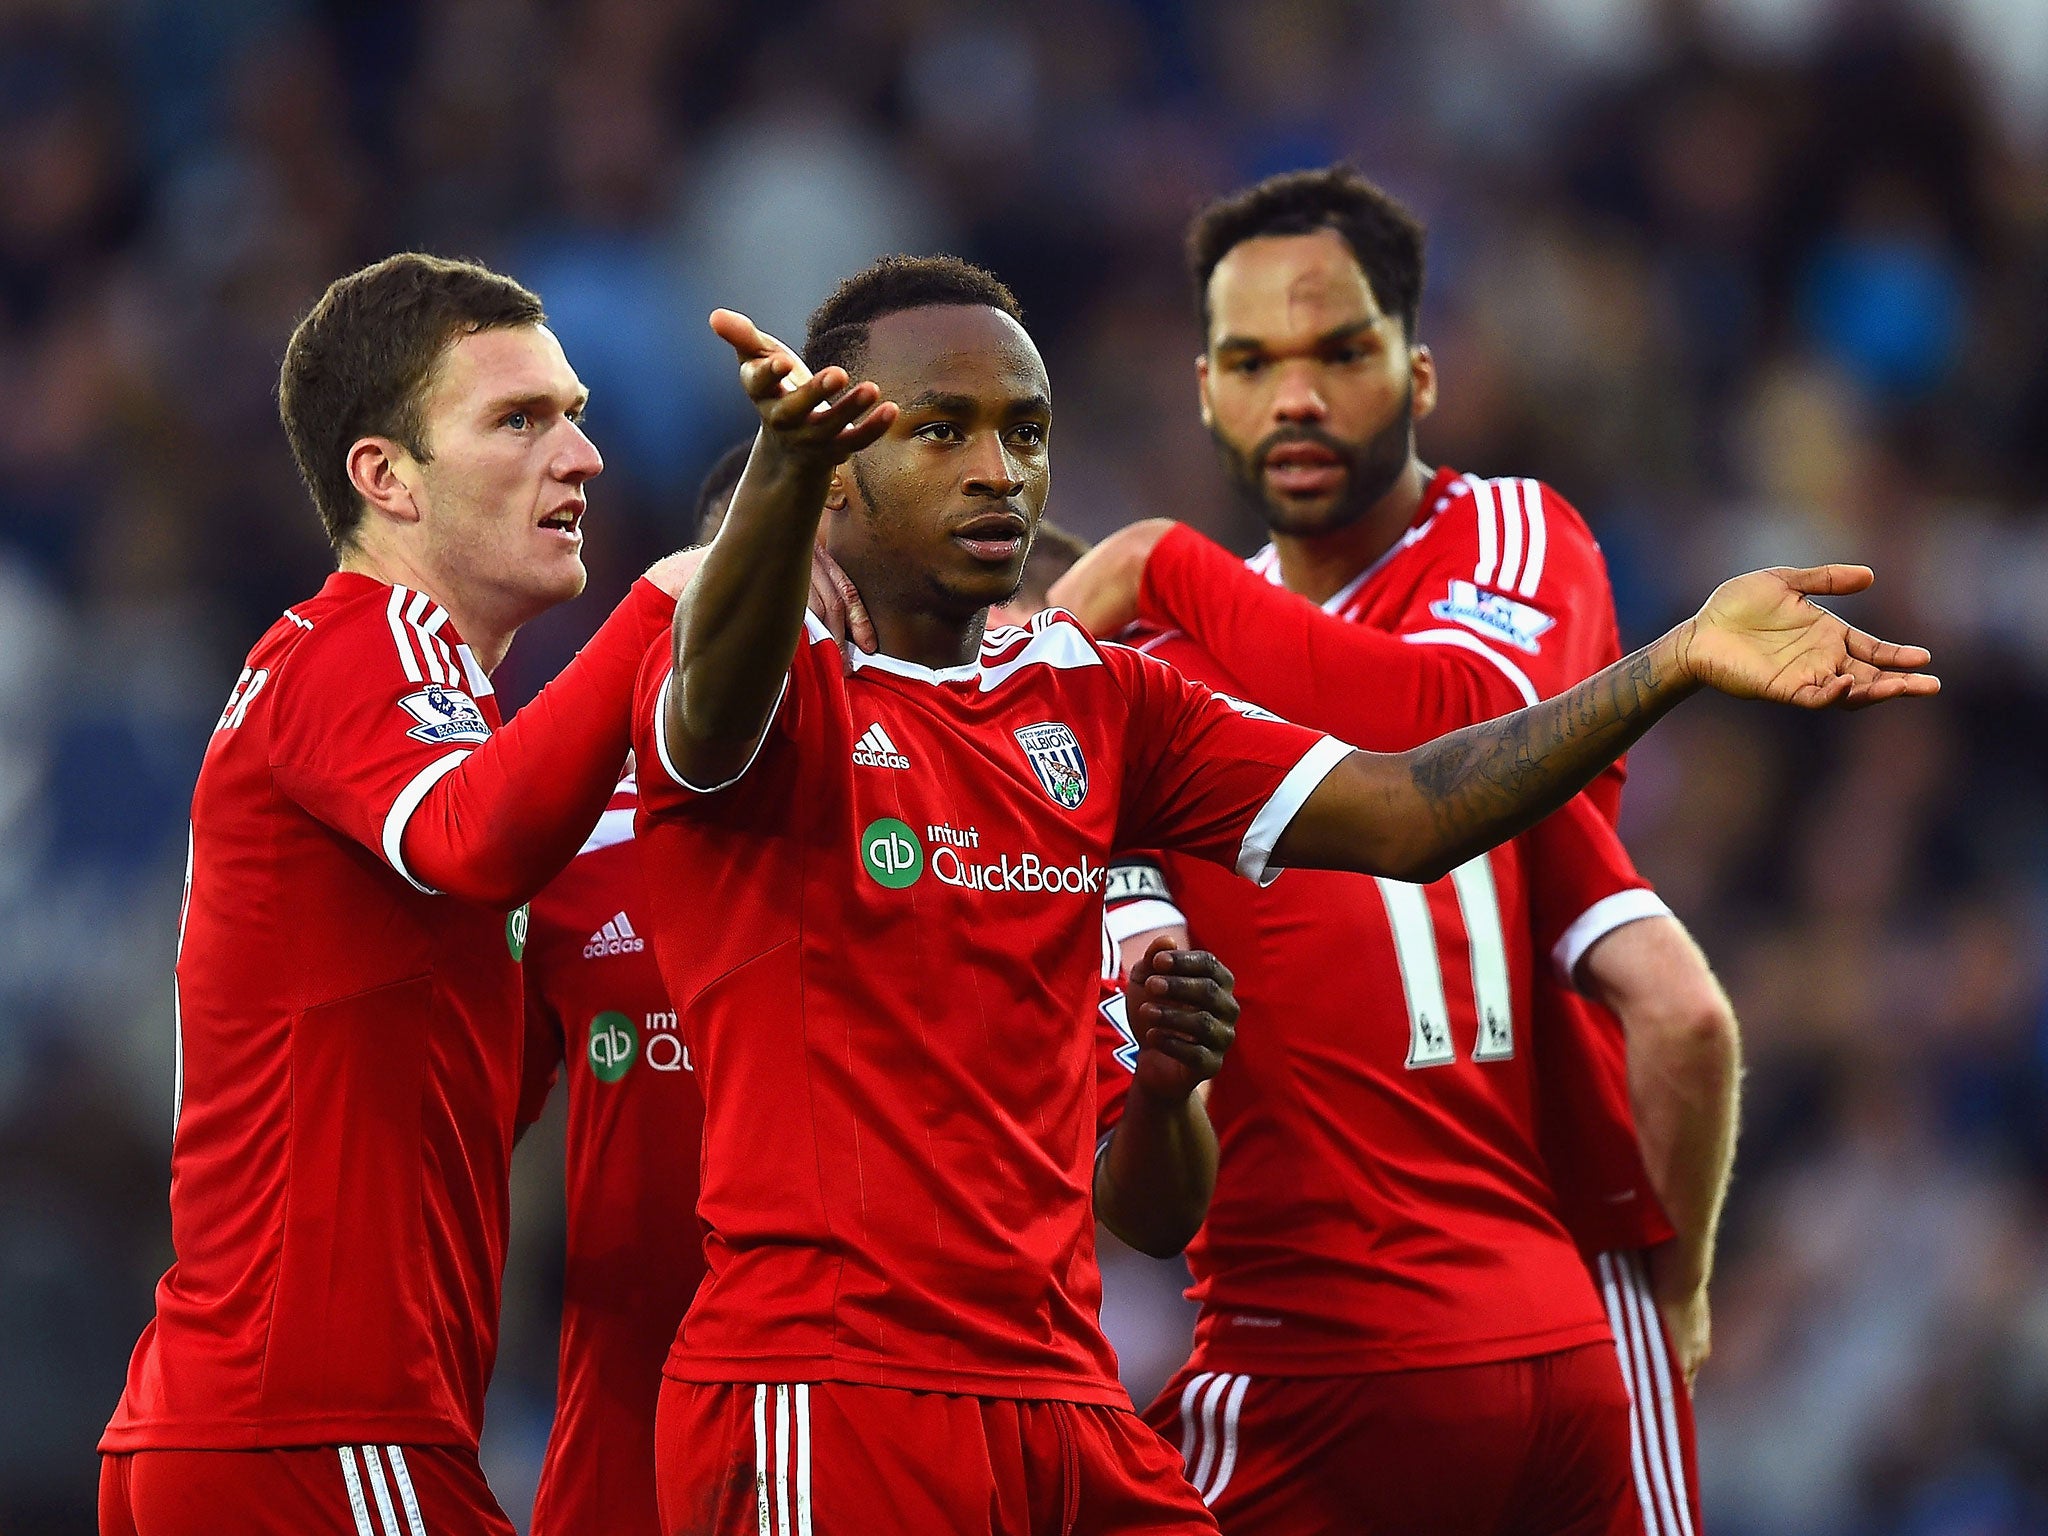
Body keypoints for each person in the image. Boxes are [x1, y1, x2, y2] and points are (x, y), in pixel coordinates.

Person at [632, 252, 1930, 1533]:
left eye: (1026, 431)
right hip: (835, 1390)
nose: (999, 470)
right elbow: (713, 694)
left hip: (1058, 1401)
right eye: (942, 429)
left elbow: (1416, 808)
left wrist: (1677, 658)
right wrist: (782, 486)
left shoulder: (1103, 701)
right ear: (837, 476)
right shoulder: (781, 709)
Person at [1051, 165, 1739, 1535]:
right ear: (1203, 389)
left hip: (1418, 1314)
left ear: (1421, 375)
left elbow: (1460, 741)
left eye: (1339, 353)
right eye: (1251, 362)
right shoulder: (1173, 658)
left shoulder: (1510, 537)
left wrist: (1159, 564)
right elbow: (1684, 1014)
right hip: (1527, 1325)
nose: (1294, 398)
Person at [513, 470, 1239, 1536]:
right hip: (663, 1459)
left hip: (944, 1426)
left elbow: (1148, 1203)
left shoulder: (1006, 872)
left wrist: (1172, 1091)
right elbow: (462, 1152)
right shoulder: (571, 838)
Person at [96, 253, 697, 1536]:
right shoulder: (369, 643)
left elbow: (488, 1069)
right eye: (519, 420)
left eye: (576, 413)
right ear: (386, 479)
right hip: (318, 1426)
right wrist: (664, 604)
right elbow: (481, 839)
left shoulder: (418, 707)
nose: (582, 456)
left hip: (256, 1422)